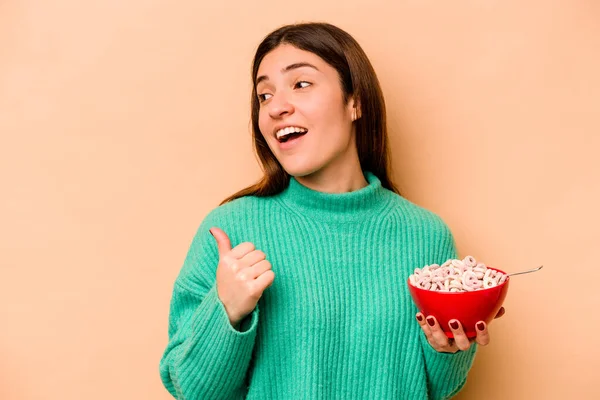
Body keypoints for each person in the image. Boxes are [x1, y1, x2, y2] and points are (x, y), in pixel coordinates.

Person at [159, 22, 504, 399]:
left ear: (355, 101)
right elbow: (190, 390)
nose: (277, 106)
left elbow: (438, 388)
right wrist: (226, 311)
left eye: (301, 84)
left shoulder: (426, 236)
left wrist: (448, 348)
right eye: (264, 95)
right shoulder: (230, 231)